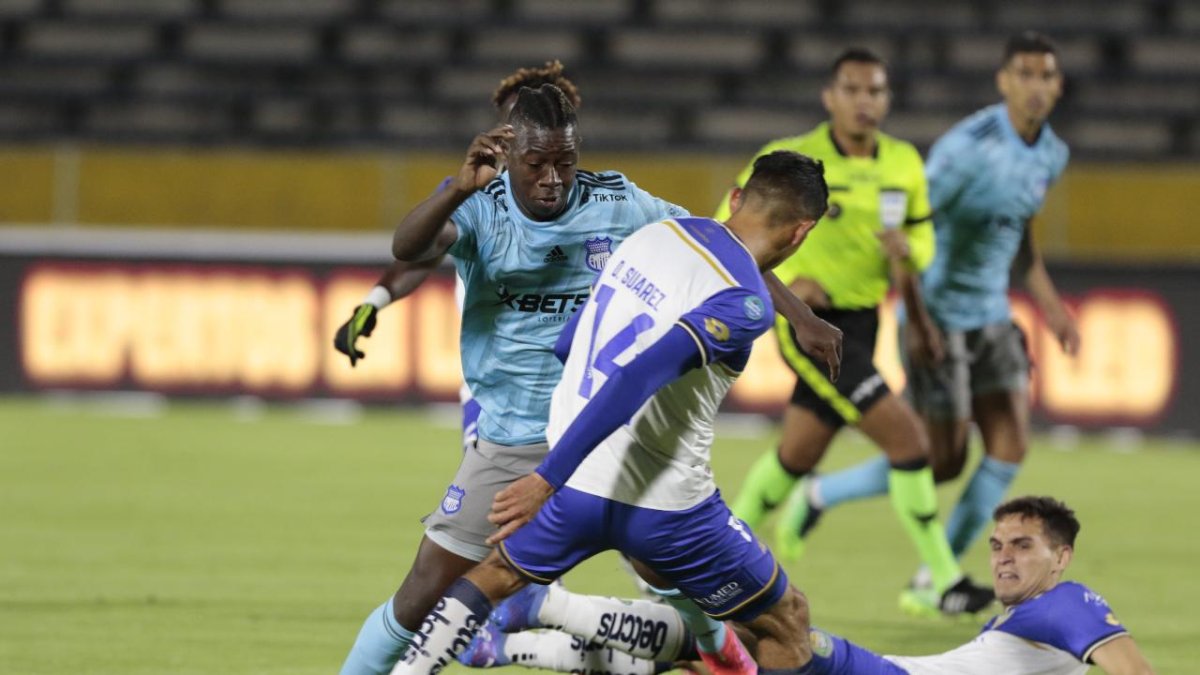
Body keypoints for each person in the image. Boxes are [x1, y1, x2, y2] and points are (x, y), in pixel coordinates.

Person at [340, 84, 841, 675]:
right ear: (508, 156)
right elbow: (409, 247)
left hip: (607, 436)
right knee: (426, 592)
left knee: (671, 582)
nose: (553, 177)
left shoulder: (619, 204)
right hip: (520, 435)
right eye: (537, 165)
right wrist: (453, 191)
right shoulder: (481, 204)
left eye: (565, 162)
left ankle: (715, 652)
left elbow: (722, 250)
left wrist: (799, 313)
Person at [793, 32, 1081, 617]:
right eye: (1023, 74)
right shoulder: (965, 149)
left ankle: (933, 577)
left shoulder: (1052, 152)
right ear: (1003, 81)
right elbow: (913, 226)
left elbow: (1018, 228)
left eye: (1045, 75)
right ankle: (821, 490)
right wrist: (915, 314)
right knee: (941, 460)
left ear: (1058, 86)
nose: (1035, 86)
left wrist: (1048, 304)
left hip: (993, 315)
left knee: (1010, 442)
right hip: (938, 315)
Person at [718, 48, 992, 616]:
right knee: (910, 442)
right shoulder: (794, 161)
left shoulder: (903, 163)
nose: (865, 102)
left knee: (798, 451)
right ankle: (942, 580)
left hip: (865, 321)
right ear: (830, 97)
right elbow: (730, 228)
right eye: (853, 90)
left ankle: (721, 543)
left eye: (876, 91)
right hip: (811, 323)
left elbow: (924, 241)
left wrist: (907, 253)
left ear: (887, 99)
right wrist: (794, 281)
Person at [331, 60, 583, 452]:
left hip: (576, 386)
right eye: (514, 120)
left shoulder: (600, 203)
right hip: (495, 390)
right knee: (500, 509)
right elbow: (422, 253)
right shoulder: (470, 197)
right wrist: (373, 302)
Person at [801, 496, 1154, 674]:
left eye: (1023, 545)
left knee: (781, 621)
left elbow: (1136, 671)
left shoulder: (1066, 601)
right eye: (997, 546)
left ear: (1061, 558)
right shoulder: (1014, 623)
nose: (1004, 557)